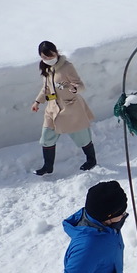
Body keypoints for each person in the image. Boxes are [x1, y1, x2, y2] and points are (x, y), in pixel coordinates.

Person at [30, 41, 96, 175]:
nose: (47, 60)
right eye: (44, 57)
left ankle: (91, 160)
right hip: (53, 109)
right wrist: (37, 101)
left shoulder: (67, 67)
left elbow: (81, 86)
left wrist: (73, 88)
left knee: (82, 137)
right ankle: (48, 166)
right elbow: (46, 88)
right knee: (47, 137)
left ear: (56, 53)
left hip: (71, 109)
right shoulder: (47, 69)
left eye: (50, 56)